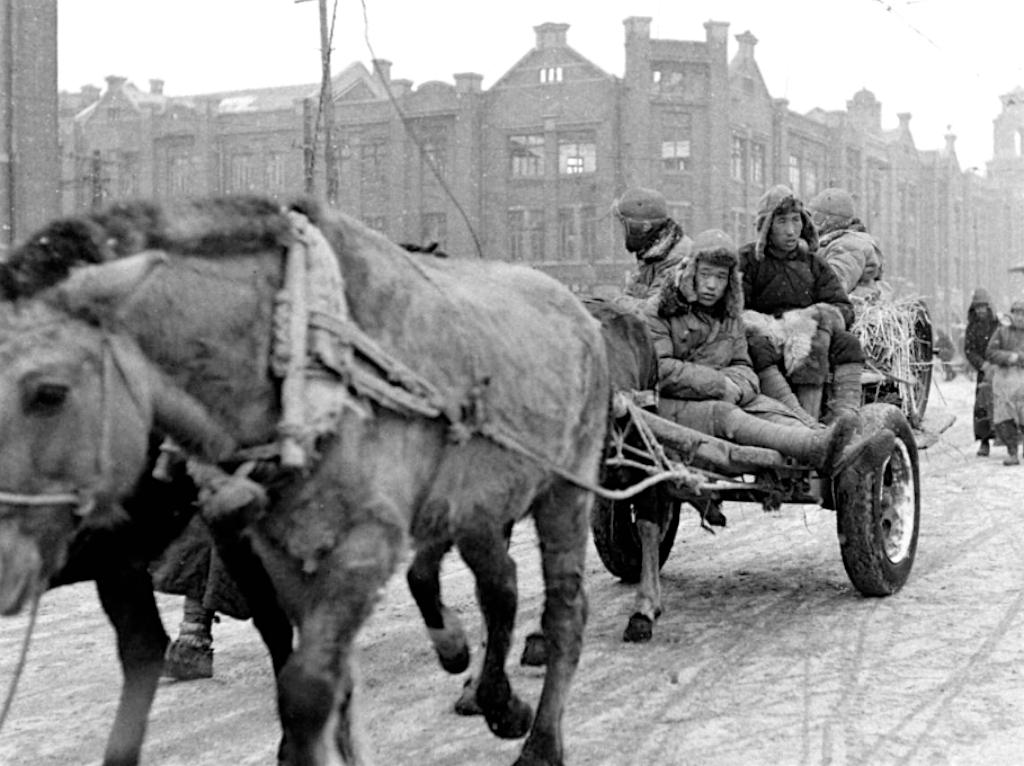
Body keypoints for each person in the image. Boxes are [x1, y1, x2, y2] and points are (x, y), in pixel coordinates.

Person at [644, 228, 892, 477]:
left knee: (775, 411)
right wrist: (718, 383)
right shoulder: (661, 310)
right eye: (705, 274)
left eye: (720, 277)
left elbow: (744, 366)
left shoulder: (728, 314)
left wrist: (736, 386)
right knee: (728, 416)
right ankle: (822, 451)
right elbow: (659, 369)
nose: (711, 285)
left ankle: (832, 446)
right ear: (689, 273)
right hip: (674, 406)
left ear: (729, 281)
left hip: (726, 395)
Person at [739, 184, 867, 424]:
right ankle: (797, 418)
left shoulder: (813, 264)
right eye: (781, 222)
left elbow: (842, 306)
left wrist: (814, 318)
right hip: (767, 335)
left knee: (847, 344)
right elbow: (734, 308)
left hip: (809, 334)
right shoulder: (749, 261)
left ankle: (845, 418)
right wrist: (770, 326)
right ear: (766, 227)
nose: (790, 231)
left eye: (796, 221)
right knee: (756, 347)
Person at [611, 186, 692, 310]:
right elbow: (631, 294)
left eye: (625, 226)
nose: (622, 233)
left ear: (645, 227)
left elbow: (653, 311)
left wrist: (616, 305)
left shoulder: (675, 258)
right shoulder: (651, 254)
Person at [806, 187, 888, 302]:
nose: (809, 224)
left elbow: (833, 284)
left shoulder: (850, 245)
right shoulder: (830, 242)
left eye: (816, 218)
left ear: (831, 220)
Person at [984, 298, 1024, 465]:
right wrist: (1008, 357)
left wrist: (1020, 358)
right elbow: (990, 352)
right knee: (1004, 418)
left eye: (1023, 313)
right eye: (1016, 313)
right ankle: (1012, 451)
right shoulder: (1001, 331)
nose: (1020, 317)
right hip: (1004, 380)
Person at [965, 287, 1001, 456]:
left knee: (1005, 404)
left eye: (983, 307)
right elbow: (969, 350)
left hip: (1000, 371)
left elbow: (1004, 343)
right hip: (984, 372)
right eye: (977, 307)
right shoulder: (972, 327)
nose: (980, 310)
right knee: (982, 407)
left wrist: (998, 362)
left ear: (989, 307)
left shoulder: (998, 325)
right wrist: (982, 365)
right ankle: (984, 440)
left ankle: (1010, 440)